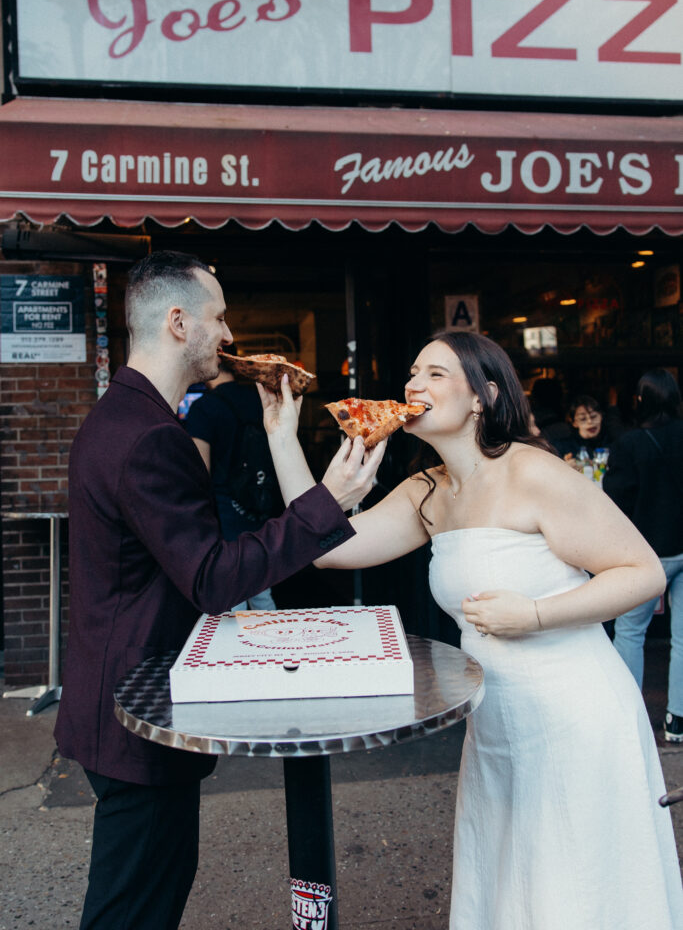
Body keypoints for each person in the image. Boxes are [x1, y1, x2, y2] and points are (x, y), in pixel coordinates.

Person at [263, 331, 682, 930]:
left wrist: (535, 614)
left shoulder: (534, 472)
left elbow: (641, 573)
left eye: (435, 374)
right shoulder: (427, 491)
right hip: (495, 726)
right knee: (510, 883)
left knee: (579, 891)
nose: (412, 385)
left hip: (577, 716)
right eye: (412, 372)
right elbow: (326, 548)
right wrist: (281, 435)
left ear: (483, 395)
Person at [54, 250, 385, 930]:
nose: (229, 335)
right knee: (132, 911)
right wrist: (329, 502)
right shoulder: (149, 437)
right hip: (134, 718)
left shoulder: (122, 417)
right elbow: (210, 578)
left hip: (113, 703)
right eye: (218, 316)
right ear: (178, 323)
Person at [603, 368, 683, 744]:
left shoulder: (630, 443)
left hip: (645, 553)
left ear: (641, 400)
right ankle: (678, 719)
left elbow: (615, 498)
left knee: (630, 632)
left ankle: (627, 714)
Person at [185, 352, 278, 611]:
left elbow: (199, 470)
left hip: (225, 510)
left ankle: (235, 649)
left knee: (231, 594)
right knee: (261, 589)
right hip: (261, 503)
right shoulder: (259, 400)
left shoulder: (204, 408)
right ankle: (272, 646)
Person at [561, 392, 623, 470]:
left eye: (593, 416)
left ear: (601, 417)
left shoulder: (614, 442)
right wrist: (564, 467)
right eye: (583, 419)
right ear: (574, 423)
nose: (590, 421)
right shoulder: (564, 447)